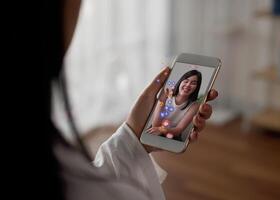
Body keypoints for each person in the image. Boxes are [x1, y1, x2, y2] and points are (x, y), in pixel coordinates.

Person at [41, 0, 218, 199]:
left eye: (194, 84)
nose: (188, 85)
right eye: (186, 80)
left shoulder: (192, 105)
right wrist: (156, 121)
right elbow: (161, 122)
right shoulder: (167, 98)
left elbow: (175, 129)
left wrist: (134, 134)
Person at [147, 70, 202, 140]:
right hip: (154, 130)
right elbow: (155, 124)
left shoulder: (194, 106)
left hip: (173, 136)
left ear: (196, 88)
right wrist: (163, 100)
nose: (188, 85)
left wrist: (162, 130)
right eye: (186, 81)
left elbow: (179, 130)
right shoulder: (166, 94)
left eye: (193, 83)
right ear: (180, 82)